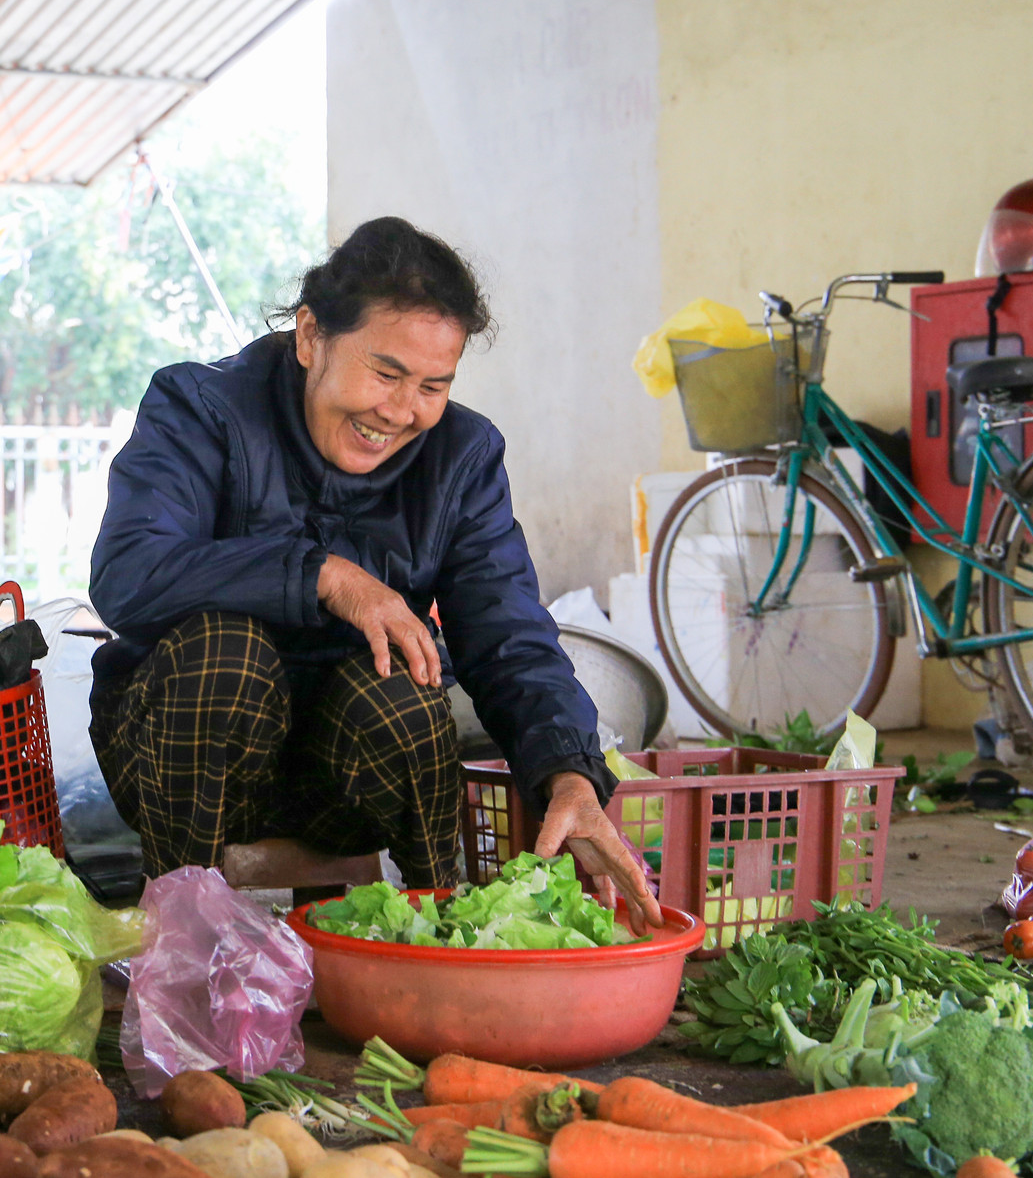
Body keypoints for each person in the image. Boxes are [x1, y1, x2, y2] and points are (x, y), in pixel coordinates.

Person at [86, 216, 660, 928]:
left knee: (406, 687)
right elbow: (128, 573)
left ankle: (440, 929)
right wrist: (324, 575)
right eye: (385, 373)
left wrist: (570, 774)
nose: (400, 411)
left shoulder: (462, 457)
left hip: (342, 780)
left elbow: (509, 636)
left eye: (432, 385)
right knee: (224, 654)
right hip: (181, 761)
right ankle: (183, 939)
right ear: (309, 336)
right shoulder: (200, 407)